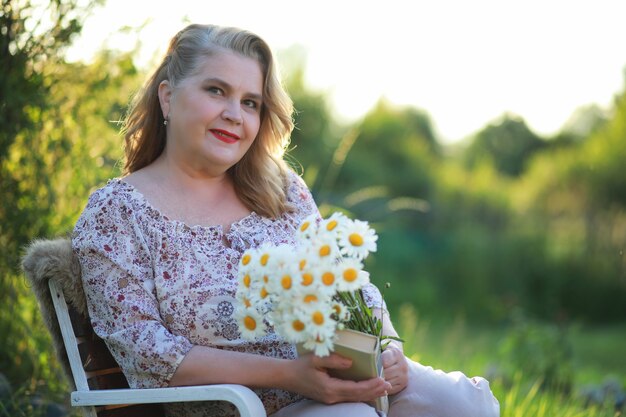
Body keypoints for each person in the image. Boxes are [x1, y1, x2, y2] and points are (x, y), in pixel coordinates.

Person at [72, 23, 500, 417]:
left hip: (340, 375)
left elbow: (345, 282)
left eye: (250, 102)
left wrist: (388, 348)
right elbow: (147, 353)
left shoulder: (280, 188)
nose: (234, 114)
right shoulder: (117, 212)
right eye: (216, 91)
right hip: (243, 404)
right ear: (168, 96)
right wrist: (292, 376)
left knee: (466, 405)